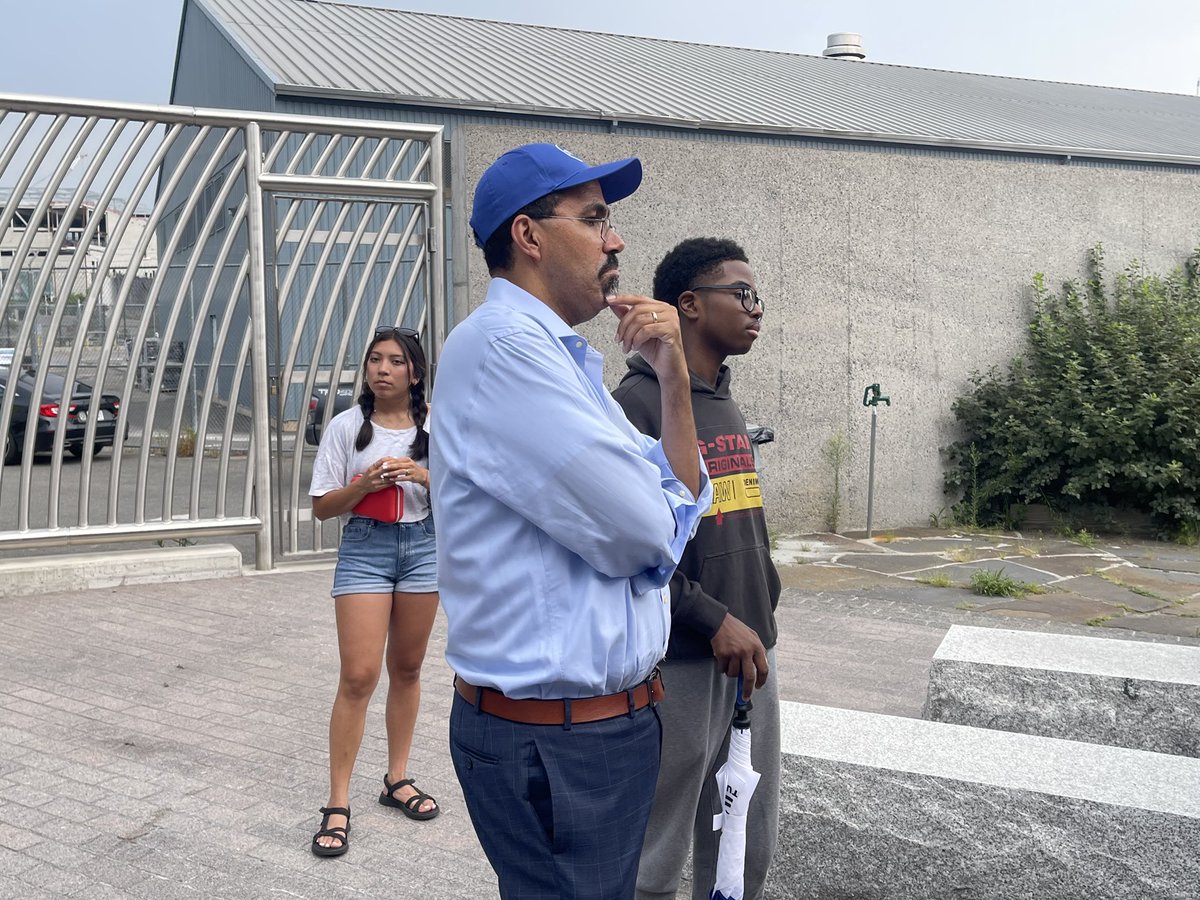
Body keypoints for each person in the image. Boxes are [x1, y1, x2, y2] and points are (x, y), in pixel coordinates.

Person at [429, 143, 712, 899]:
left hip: (594, 728)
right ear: (528, 235)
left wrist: (673, 376)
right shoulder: (505, 351)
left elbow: (674, 505)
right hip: (557, 739)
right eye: (593, 219)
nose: (614, 239)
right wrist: (659, 511)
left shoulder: (562, 359)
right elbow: (647, 533)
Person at [613, 238, 781, 900]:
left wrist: (762, 604)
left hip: (752, 658)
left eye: (756, 295)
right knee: (655, 855)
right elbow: (633, 547)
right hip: (683, 665)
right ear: (688, 304)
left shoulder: (726, 402)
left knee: (744, 848)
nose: (755, 308)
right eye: (740, 294)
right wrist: (711, 618)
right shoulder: (637, 406)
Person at [307, 326, 440, 858]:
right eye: (375, 360)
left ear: (415, 372)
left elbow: (471, 486)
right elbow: (321, 506)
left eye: (396, 361)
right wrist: (364, 485)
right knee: (358, 676)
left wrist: (422, 476)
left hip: (423, 546)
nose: (383, 369)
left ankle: (396, 779)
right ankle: (337, 802)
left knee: (407, 670)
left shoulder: (436, 425)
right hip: (365, 547)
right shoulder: (345, 427)